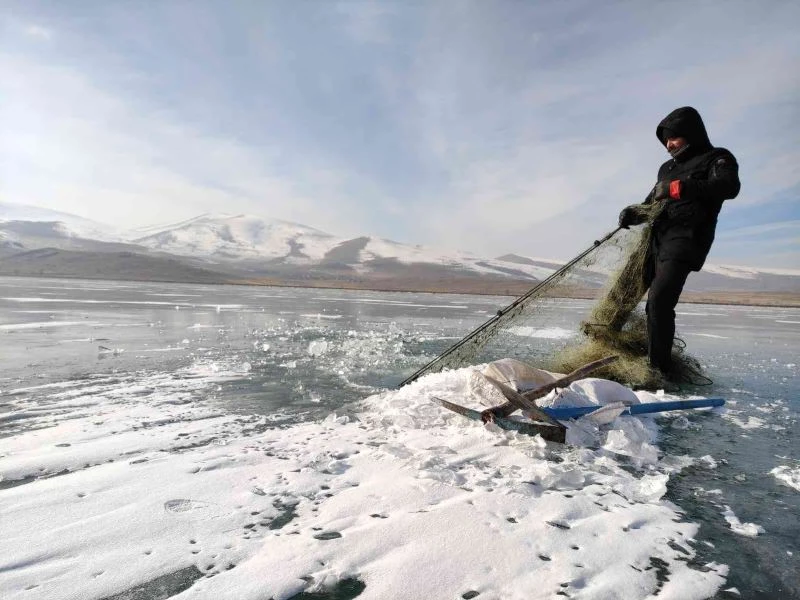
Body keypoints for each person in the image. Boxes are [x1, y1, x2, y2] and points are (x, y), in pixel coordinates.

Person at [618, 106, 740, 375]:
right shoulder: (667, 168)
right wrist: (633, 213)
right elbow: (651, 203)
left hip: (686, 239)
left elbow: (729, 188)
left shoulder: (717, 158)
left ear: (690, 133)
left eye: (673, 138)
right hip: (655, 238)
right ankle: (608, 345)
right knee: (624, 292)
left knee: (659, 300)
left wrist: (677, 188)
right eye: (665, 141)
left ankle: (658, 371)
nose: (668, 145)